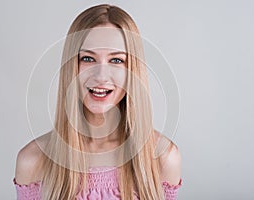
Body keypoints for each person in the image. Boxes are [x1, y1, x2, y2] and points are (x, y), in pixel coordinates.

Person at [13, 4, 182, 200]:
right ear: (72, 68)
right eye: (87, 58)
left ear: (133, 71)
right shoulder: (33, 160)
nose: (101, 76)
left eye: (117, 60)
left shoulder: (163, 158)